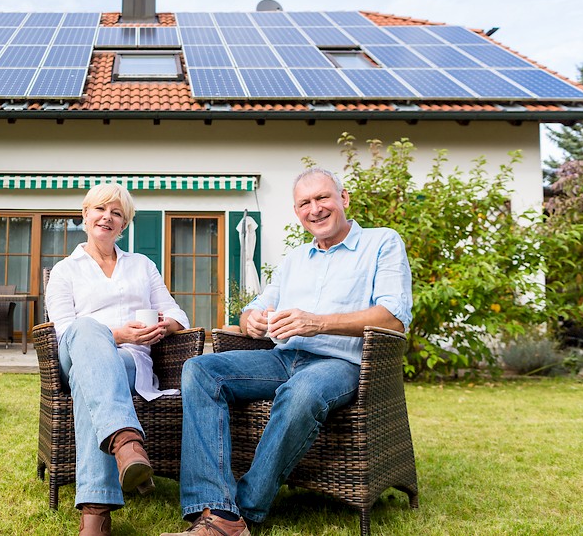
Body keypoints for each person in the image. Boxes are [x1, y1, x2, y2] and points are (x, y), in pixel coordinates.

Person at [163, 168, 412, 536]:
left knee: (302, 392)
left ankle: (238, 514)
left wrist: (319, 323)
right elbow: (254, 308)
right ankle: (214, 505)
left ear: (343, 199)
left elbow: (393, 318)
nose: (315, 209)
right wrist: (252, 322)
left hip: (340, 363)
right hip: (282, 358)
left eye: (323, 198)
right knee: (200, 370)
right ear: (298, 212)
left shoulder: (382, 243)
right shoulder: (295, 258)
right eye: (304, 203)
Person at [45, 182, 190, 536]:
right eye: (100, 209)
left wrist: (163, 326)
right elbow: (64, 332)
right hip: (75, 352)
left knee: (88, 380)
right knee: (85, 329)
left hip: (130, 363)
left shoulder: (141, 265)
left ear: (123, 225)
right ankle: (126, 442)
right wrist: (119, 334)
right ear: (85, 215)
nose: (107, 217)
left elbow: (178, 314)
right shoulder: (65, 271)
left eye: (117, 213)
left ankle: (95, 515)